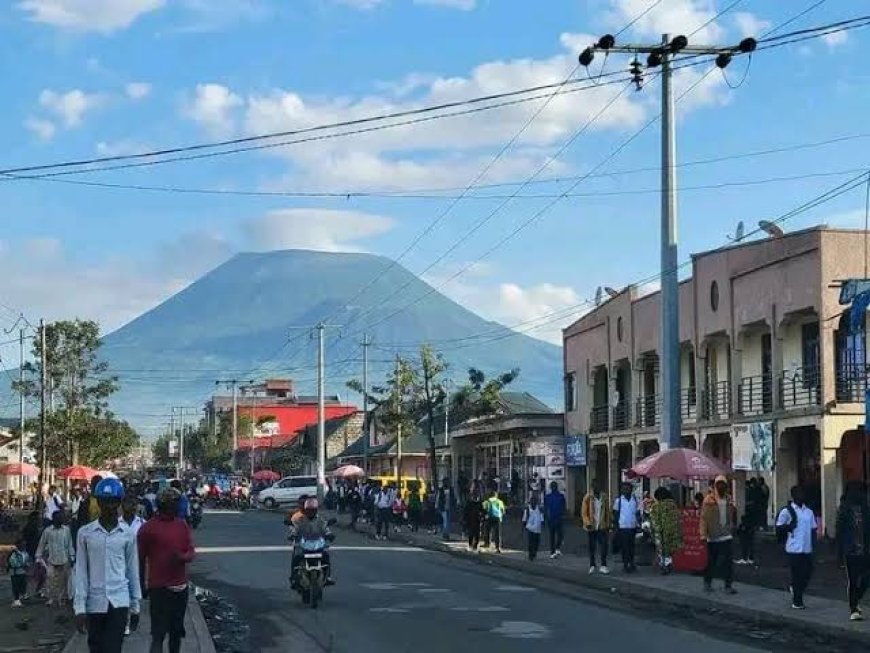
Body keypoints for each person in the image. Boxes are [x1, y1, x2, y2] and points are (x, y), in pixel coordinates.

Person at [74, 477, 141, 653]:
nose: (110, 507)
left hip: (119, 602)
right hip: (94, 602)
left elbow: (132, 570)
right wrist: (79, 608)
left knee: (113, 648)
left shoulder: (127, 534)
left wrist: (135, 606)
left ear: (119, 502)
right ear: (99, 502)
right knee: (96, 648)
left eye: (114, 502)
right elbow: (80, 572)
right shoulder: (85, 534)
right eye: (106, 502)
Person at [138, 488, 196, 653]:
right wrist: (141, 585)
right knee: (158, 634)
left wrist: (183, 557)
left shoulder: (181, 525)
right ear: (166, 505)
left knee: (176, 634)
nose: (178, 506)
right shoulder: (148, 529)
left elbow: (191, 551)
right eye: (175, 503)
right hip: (159, 589)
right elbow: (140, 559)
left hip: (180, 588)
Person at [776, 485, 817, 609]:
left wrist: (814, 546)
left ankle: (796, 588)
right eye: (799, 494)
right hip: (793, 548)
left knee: (807, 573)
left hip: (806, 548)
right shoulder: (787, 511)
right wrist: (789, 527)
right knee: (797, 574)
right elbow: (779, 526)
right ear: (793, 496)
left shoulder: (809, 512)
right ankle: (797, 601)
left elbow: (813, 529)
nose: (801, 496)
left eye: (802, 493)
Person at [836, 481, 870, 621]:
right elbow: (840, 533)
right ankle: (853, 607)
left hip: (866, 550)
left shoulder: (866, 511)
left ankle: (857, 597)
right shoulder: (845, 511)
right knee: (853, 579)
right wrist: (839, 554)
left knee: (866, 579)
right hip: (851, 551)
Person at [701, 475, 738, 594]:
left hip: (726, 535)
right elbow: (703, 519)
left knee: (728, 562)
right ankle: (707, 582)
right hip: (713, 536)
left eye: (723, 485)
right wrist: (703, 534)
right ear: (715, 486)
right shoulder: (708, 500)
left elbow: (731, 515)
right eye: (719, 484)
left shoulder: (728, 499)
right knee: (712, 561)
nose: (721, 487)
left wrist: (731, 526)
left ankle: (728, 585)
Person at [289, 498, 335, 586]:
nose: (311, 513)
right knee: (296, 558)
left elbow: (325, 529)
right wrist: (292, 535)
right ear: (305, 510)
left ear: (316, 510)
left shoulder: (320, 520)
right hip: (304, 544)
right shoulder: (301, 520)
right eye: (309, 511)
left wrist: (329, 534)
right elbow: (296, 529)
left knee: (326, 556)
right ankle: (294, 577)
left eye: (312, 510)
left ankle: (328, 576)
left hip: (318, 544)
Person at [36, 509, 74, 607]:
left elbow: (70, 544)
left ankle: (62, 599)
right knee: (50, 579)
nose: (61, 519)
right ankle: (51, 598)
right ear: (54, 519)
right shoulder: (48, 531)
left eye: (61, 518)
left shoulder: (66, 530)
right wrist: (38, 557)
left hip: (64, 558)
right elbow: (42, 543)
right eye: (58, 518)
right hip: (52, 558)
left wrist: (72, 557)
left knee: (63, 580)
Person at [649, 486, 682, 575]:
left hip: (661, 532)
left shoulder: (656, 506)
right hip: (673, 531)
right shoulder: (673, 505)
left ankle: (665, 566)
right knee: (670, 549)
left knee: (662, 550)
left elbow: (654, 521)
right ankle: (669, 563)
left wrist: (653, 532)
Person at [582, 481, 611, 575]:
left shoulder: (604, 497)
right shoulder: (588, 497)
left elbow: (607, 511)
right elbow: (584, 512)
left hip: (602, 525)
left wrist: (609, 523)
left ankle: (603, 565)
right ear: (592, 487)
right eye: (594, 487)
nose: (596, 488)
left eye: (598, 486)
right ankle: (592, 564)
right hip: (592, 526)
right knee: (592, 546)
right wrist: (587, 522)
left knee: (604, 545)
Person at [613, 482, 640, 573]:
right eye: (624, 489)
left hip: (632, 526)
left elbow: (637, 513)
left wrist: (638, 523)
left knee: (632, 546)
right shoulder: (619, 501)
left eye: (628, 488)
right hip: (623, 527)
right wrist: (616, 527)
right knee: (625, 547)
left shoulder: (635, 500)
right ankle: (626, 564)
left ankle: (631, 563)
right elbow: (616, 514)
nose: (626, 490)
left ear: (631, 489)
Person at [544, 481, 566, 559]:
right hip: (557, 518)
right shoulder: (560, 496)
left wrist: (545, 518)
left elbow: (545, 508)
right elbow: (563, 507)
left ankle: (553, 551)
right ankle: (556, 549)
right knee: (559, 535)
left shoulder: (548, 497)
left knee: (553, 536)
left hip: (553, 519)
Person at [6, 538, 31, 607]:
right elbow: (13, 562)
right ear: (18, 545)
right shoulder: (14, 553)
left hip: (23, 572)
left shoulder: (25, 553)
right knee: (16, 586)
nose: (24, 546)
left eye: (25, 545)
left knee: (23, 584)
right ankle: (16, 600)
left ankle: (22, 595)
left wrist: (27, 565)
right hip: (15, 573)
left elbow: (27, 560)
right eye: (22, 544)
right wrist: (22, 565)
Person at [522, 495, 545, 561]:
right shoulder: (527, 509)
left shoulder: (539, 509)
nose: (533, 503)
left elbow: (542, 519)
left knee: (536, 542)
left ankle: (534, 553)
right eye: (532, 502)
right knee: (531, 542)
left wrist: (543, 526)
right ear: (530, 502)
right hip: (530, 529)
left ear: (536, 502)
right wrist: (523, 528)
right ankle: (530, 555)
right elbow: (524, 519)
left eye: (535, 502)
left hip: (538, 529)